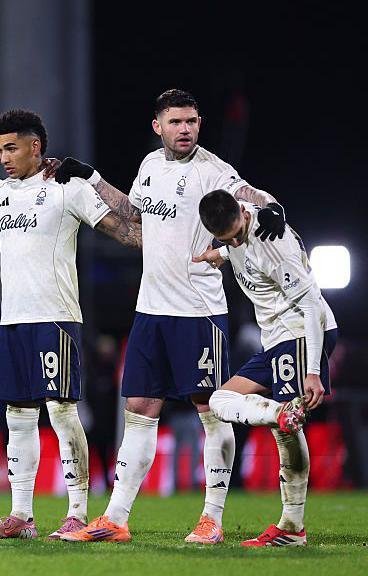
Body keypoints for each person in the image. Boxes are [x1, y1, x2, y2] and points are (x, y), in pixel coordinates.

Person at [56, 89, 289, 544]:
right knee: (139, 410)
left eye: (192, 121)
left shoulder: (213, 170)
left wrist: (269, 207)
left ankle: (212, 520)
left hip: (198, 314)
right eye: (177, 122)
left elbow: (250, 195)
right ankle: (116, 518)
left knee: (212, 412)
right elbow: (134, 212)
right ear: (157, 125)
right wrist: (91, 177)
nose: (186, 129)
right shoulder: (149, 166)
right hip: (150, 313)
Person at [0, 109, 141, 540]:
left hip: (56, 317)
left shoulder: (68, 188)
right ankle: (21, 516)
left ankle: (76, 512)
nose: (4, 159)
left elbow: (125, 229)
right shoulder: (3, 195)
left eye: (11, 148)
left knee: (62, 411)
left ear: (36, 147)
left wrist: (175, 245)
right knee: (17, 416)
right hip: (12, 319)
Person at [197, 190, 337, 546]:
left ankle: (292, 527)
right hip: (275, 339)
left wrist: (313, 370)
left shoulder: (274, 244)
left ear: (243, 214)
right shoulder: (236, 230)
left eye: (237, 234)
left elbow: (310, 307)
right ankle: (278, 413)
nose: (235, 240)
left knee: (286, 433)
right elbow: (251, 223)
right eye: (226, 239)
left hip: (300, 333)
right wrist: (223, 252)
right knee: (220, 400)